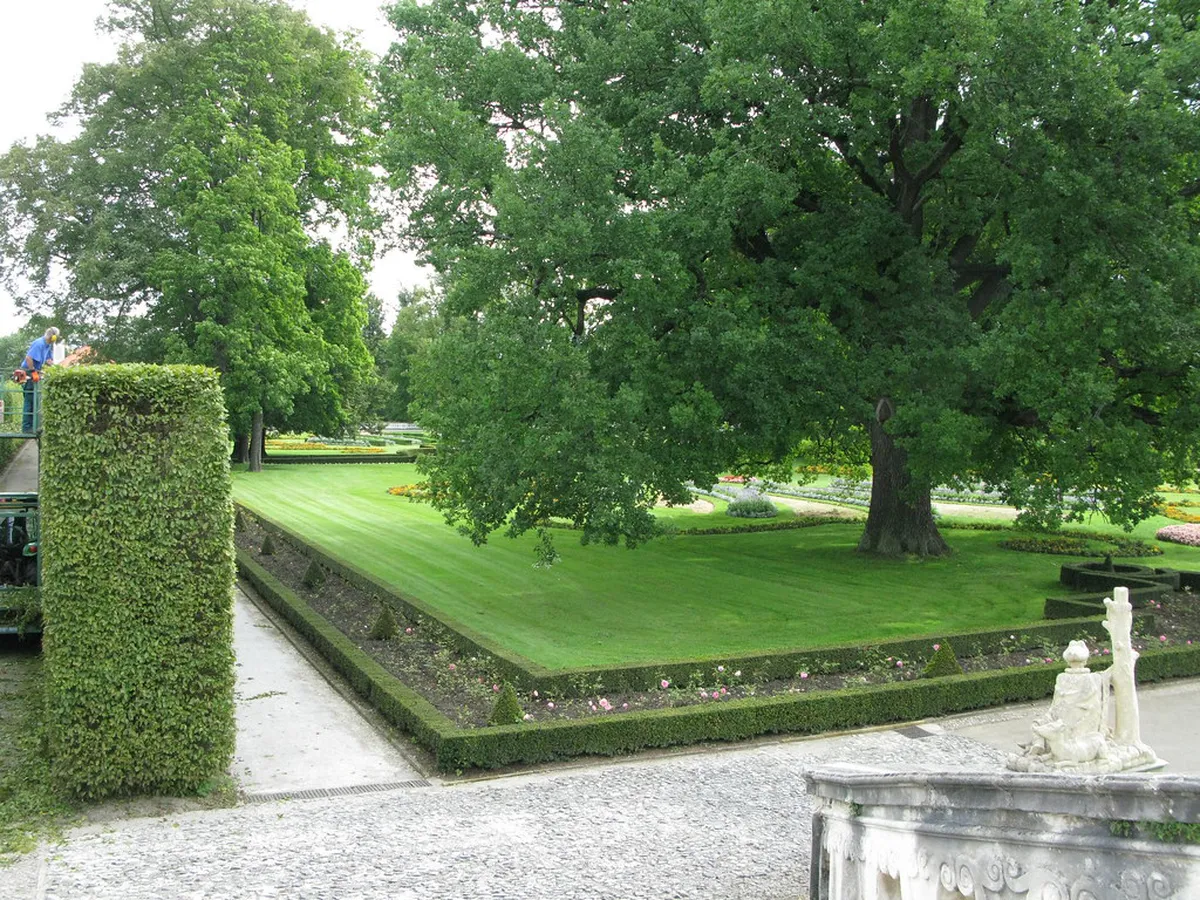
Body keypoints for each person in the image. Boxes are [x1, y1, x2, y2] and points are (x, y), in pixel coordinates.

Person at [20, 327, 59, 432]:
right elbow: (29, 358)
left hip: (35, 371)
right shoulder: (39, 343)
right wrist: (33, 372)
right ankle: (26, 427)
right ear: (53, 336)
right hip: (29, 371)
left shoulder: (47, 346)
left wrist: (56, 369)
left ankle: (33, 426)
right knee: (29, 398)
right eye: (56, 337)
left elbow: (49, 360)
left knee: (35, 399)